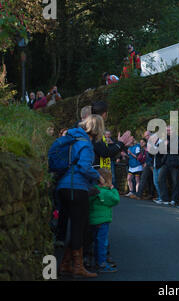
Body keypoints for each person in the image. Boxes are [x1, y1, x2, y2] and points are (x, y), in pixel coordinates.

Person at [57, 115, 106, 278]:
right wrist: (98, 177)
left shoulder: (72, 138)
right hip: (76, 187)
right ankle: (77, 266)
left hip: (63, 185)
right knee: (81, 227)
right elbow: (84, 166)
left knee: (75, 226)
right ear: (98, 129)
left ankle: (66, 263)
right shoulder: (85, 144)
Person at [89, 168, 120, 273]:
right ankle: (101, 263)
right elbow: (116, 200)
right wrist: (113, 190)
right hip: (103, 221)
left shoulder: (93, 190)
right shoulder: (107, 193)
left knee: (93, 241)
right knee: (102, 242)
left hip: (92, 220)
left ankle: (91, 261)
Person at [158, 126, 179, 206]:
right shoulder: (164, 139)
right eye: (166, 130)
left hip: (175, 163)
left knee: (175, 182)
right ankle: (164, 199)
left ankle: (175, 200)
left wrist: (167, 145)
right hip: (166, 162)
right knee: (160, 179)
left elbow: (177, 149)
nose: (167, 131)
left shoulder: (178, 138)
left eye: (169, 130)